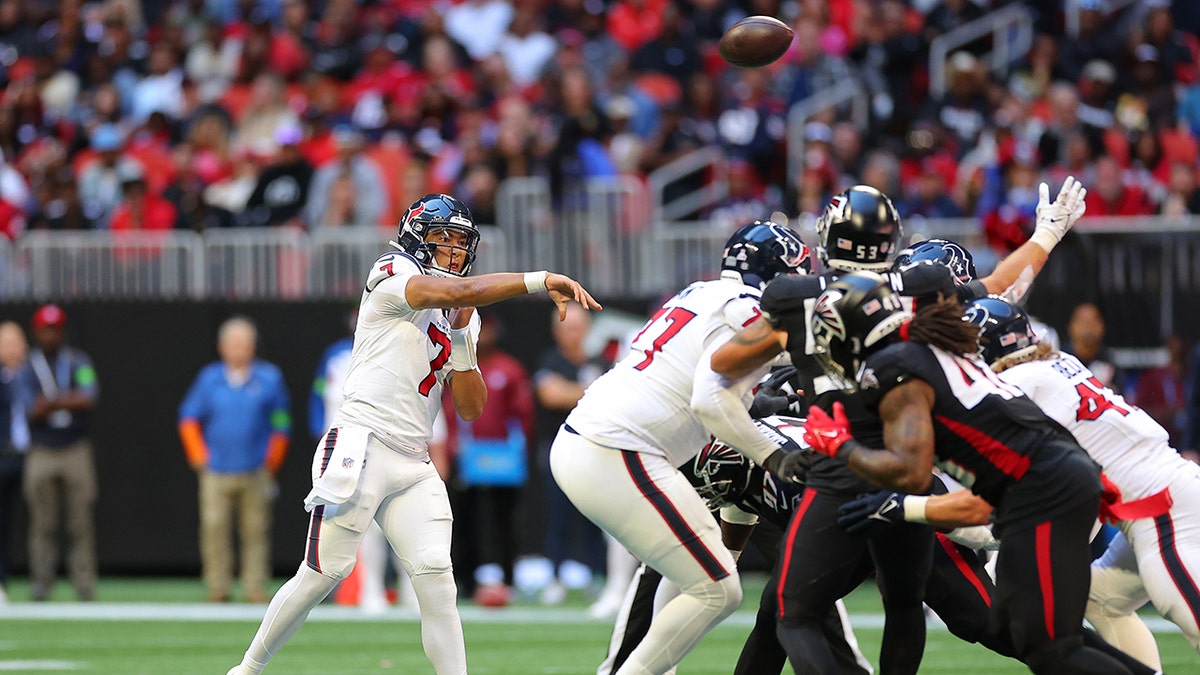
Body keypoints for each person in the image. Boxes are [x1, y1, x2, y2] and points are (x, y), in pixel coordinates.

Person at [700, 181, 1088, 674]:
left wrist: (793, 344)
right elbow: (998, 287)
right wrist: (1048, 234)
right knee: (912, 606)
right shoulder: (917, 290)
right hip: (913, 478)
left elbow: (723, 362)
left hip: (839, 472)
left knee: (789, 613)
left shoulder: (800, 301)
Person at [226, 193, 601, 675]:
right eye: (443, 239)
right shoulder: (390, 272)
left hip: (413, 457)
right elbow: (456, 292)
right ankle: (249, 668)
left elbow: (469, 407)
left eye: (461, 242)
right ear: (416, 238)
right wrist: (539, 279)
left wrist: (465, 345)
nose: (454, 252)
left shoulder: (459, 309)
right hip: (362, 442)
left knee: (437, 579)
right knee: (323, 572)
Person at [798, 273, 1135, 674]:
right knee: (1017, 629)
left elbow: (911, 471)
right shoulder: (931, 351)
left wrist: (840, 445)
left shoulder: (897, 367)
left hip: (1042, 490)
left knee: (1050, 648)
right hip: (1049, 482)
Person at [549, 221, 810, 675]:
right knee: (720, 590)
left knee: (693, 568)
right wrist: (775, 456)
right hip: (617, 447)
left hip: (604, 442)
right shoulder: (744, 307)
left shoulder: (700, 292)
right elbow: (709, 401)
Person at [965, 295, 1200, 660]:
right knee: (1100, 600)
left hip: (1163, 511)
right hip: (1159, 499)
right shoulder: (1058, 362)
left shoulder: (1016, 387)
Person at [179, 316, 292, 604]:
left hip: (255, 469)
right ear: (222, 347)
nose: (239, 350)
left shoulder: (269, 378)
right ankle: (218, 586)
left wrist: (272, 462)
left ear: (253, 347)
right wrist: (199, 456)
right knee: (214, 529)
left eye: (244, 344)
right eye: (234, 344)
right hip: (216, 470)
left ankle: (254, 586)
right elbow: (188, 418)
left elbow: (281, 423)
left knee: (256, 531)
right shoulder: (209, 378)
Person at [18, 304, 99, 602]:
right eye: (45, 329)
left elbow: (90, 396)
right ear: (37, 331)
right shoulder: (28, 366)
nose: (51, 334)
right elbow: (30, 409)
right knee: (43, 523)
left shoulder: (78, 361)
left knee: (81, 521)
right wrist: (66, 401)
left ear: (63, 331)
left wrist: (51, 402)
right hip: (41, 451)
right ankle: (41, 582)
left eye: (56, 328)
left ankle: (84, 584)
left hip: (75, 449)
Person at [531, 302, 610, 604]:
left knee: (596, 516)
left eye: (577, 327)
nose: (572, 334)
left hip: (594, 451)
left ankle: (597, 577)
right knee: (557, 517)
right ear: (556, 331)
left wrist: (573, 391)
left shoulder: (601, 362)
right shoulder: (549, 360)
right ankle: (554, 577)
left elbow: (608, 400)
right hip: (556, 451)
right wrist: (587, 391)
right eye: (566, 327)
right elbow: (550, 395)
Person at [454, 313, 535, 606]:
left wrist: (517, 451)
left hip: (501, 460)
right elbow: (450, 410)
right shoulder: (458, 366)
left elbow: (522, 414)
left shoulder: (509, 370)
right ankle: (465, 579)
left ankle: (508, 577)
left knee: (505, 520)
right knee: (466, 520)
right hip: (468, 456)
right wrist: (453, 446)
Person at [0, 321, 29, 604]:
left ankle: (42, 583)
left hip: (34, 453)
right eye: (5, 343)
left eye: (15, 342)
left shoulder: (33, 373)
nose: (11, 349)